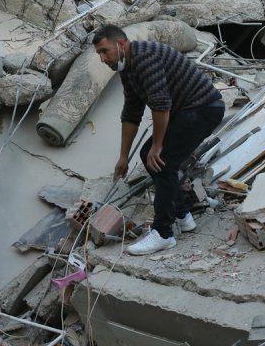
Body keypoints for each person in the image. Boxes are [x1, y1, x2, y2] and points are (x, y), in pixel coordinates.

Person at [93, 25, 225, 255]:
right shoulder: (127, 68)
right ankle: (183, 215)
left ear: (121, 44)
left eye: (105, 51)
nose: (103, 58)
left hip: (204, 107)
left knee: (161, 158)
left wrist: (158, 145)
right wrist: (123, 156)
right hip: (186, 110)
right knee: (149, 156)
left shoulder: (145, 58)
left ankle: (163, 233)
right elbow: (132, 113)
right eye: (99, 54)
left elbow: (160, 105)